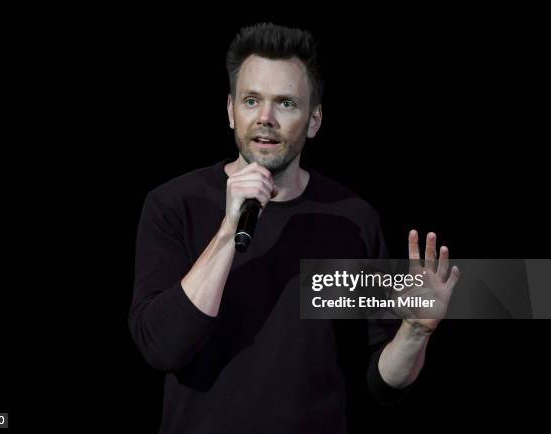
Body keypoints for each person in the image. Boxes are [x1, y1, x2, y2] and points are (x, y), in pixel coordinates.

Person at [128, 23, 459, 434]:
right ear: (231, 110)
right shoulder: (174, 205)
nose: (265, 118)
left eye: (285, 104)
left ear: (314, 119)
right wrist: (229, 229)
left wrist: (413, 332)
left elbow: (382, 384)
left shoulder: (352, 220)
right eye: (252, 101)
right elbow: (162, 347)